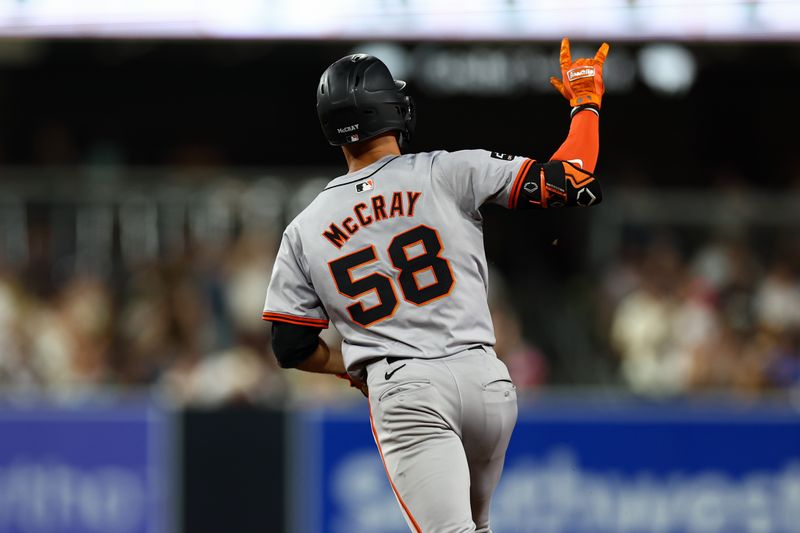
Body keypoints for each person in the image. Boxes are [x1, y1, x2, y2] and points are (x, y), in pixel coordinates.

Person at [262, 38, 609, 533]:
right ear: (395, 110)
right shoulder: (447, 169)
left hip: (405, 387)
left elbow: (290, 345)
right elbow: (570, 181)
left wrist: (353, 370)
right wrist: (586, 105)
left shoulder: (305, 227)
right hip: (485, 380)